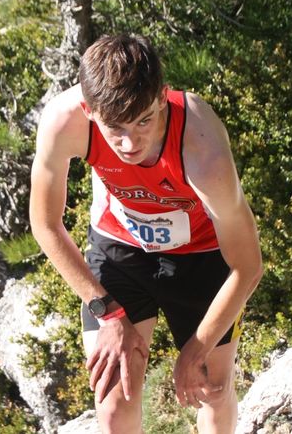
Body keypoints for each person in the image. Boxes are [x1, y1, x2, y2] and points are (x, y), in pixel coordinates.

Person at [29, 34, 263, 433]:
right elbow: (45, 224)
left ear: (163, 98)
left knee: (212, 386)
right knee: (113, 403)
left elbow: (248, 266)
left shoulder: (201, 148)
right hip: (120, 248)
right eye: (114, 128)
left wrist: (196, 349)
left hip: (200, 255)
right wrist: (107, 311)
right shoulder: (64, 121)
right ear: (89, 111)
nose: (129, 143)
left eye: (144, 121)